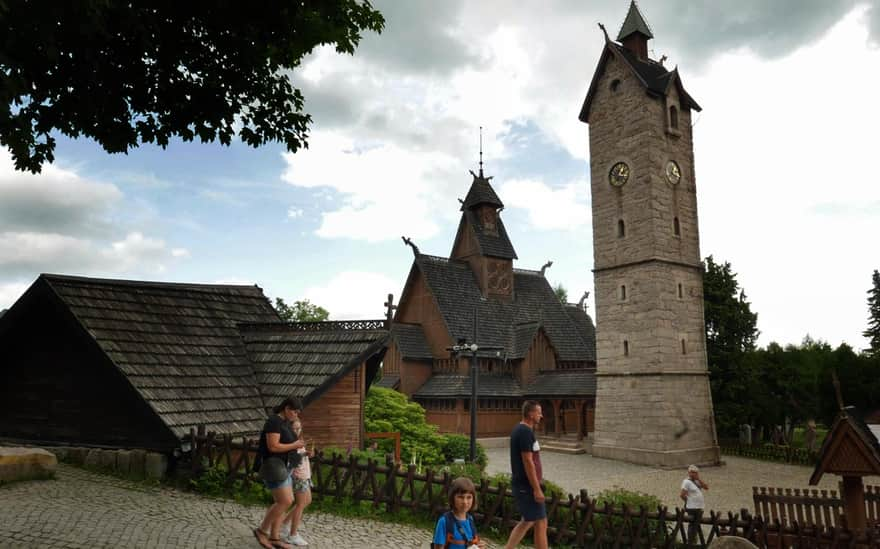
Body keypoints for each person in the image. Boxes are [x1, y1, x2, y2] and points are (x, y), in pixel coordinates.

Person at [253, 396, 305, 549]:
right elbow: (273, 447)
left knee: (282, 502)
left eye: (298, 412)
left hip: (284, 466)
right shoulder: (274, 421)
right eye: (295, 412)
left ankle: (274, 538)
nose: (296, 415)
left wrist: (299, 448)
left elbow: (288, 445)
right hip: (273, 466)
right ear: (287, 408)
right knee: (285, 501)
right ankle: (262, 531)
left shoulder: (284, 423)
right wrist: (295, 444)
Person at [505, 400, 547, 549]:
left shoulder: (522, 430)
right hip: (526, 486)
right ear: (530, 414)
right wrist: (536, 488)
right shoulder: (524, 432)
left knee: (528, 521)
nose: (541, 415)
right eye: (538, 412)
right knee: (541, 522)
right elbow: (528, 462)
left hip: (524, 484)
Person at [281, 418, 312, 547]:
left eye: (299, 428)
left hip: (305, 475)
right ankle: (292, 535)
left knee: (307, 501)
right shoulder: (290, 442)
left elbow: (299, 457)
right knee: (300, 504)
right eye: (295, 428)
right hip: (299, 476)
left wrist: (306, 453)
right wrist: (303, 454)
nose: (297, 431)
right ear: (289, 429)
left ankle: (284, 524)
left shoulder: (299, 441)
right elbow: (291, 461)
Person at [432, 477, 485, 549]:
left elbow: (469, 544)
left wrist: (478, 546)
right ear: (452, 498)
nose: (465, 502)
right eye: (460, 497)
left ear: (474, 499)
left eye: (469, 497)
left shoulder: (470, 520)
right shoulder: (444, 521)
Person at [679, 464, 708, 545]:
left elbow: (706, 487)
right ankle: (691, 541)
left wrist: (699, 479)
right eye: (693, 472)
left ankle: (694, 540)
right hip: (692, 507)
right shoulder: (686, 482)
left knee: (696, 524)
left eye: (696, 473)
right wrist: (688, 501)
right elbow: (682, 494)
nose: (694, 474)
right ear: (689, 473)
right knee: (692, 524)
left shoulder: (697, 481)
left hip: (699, 506)